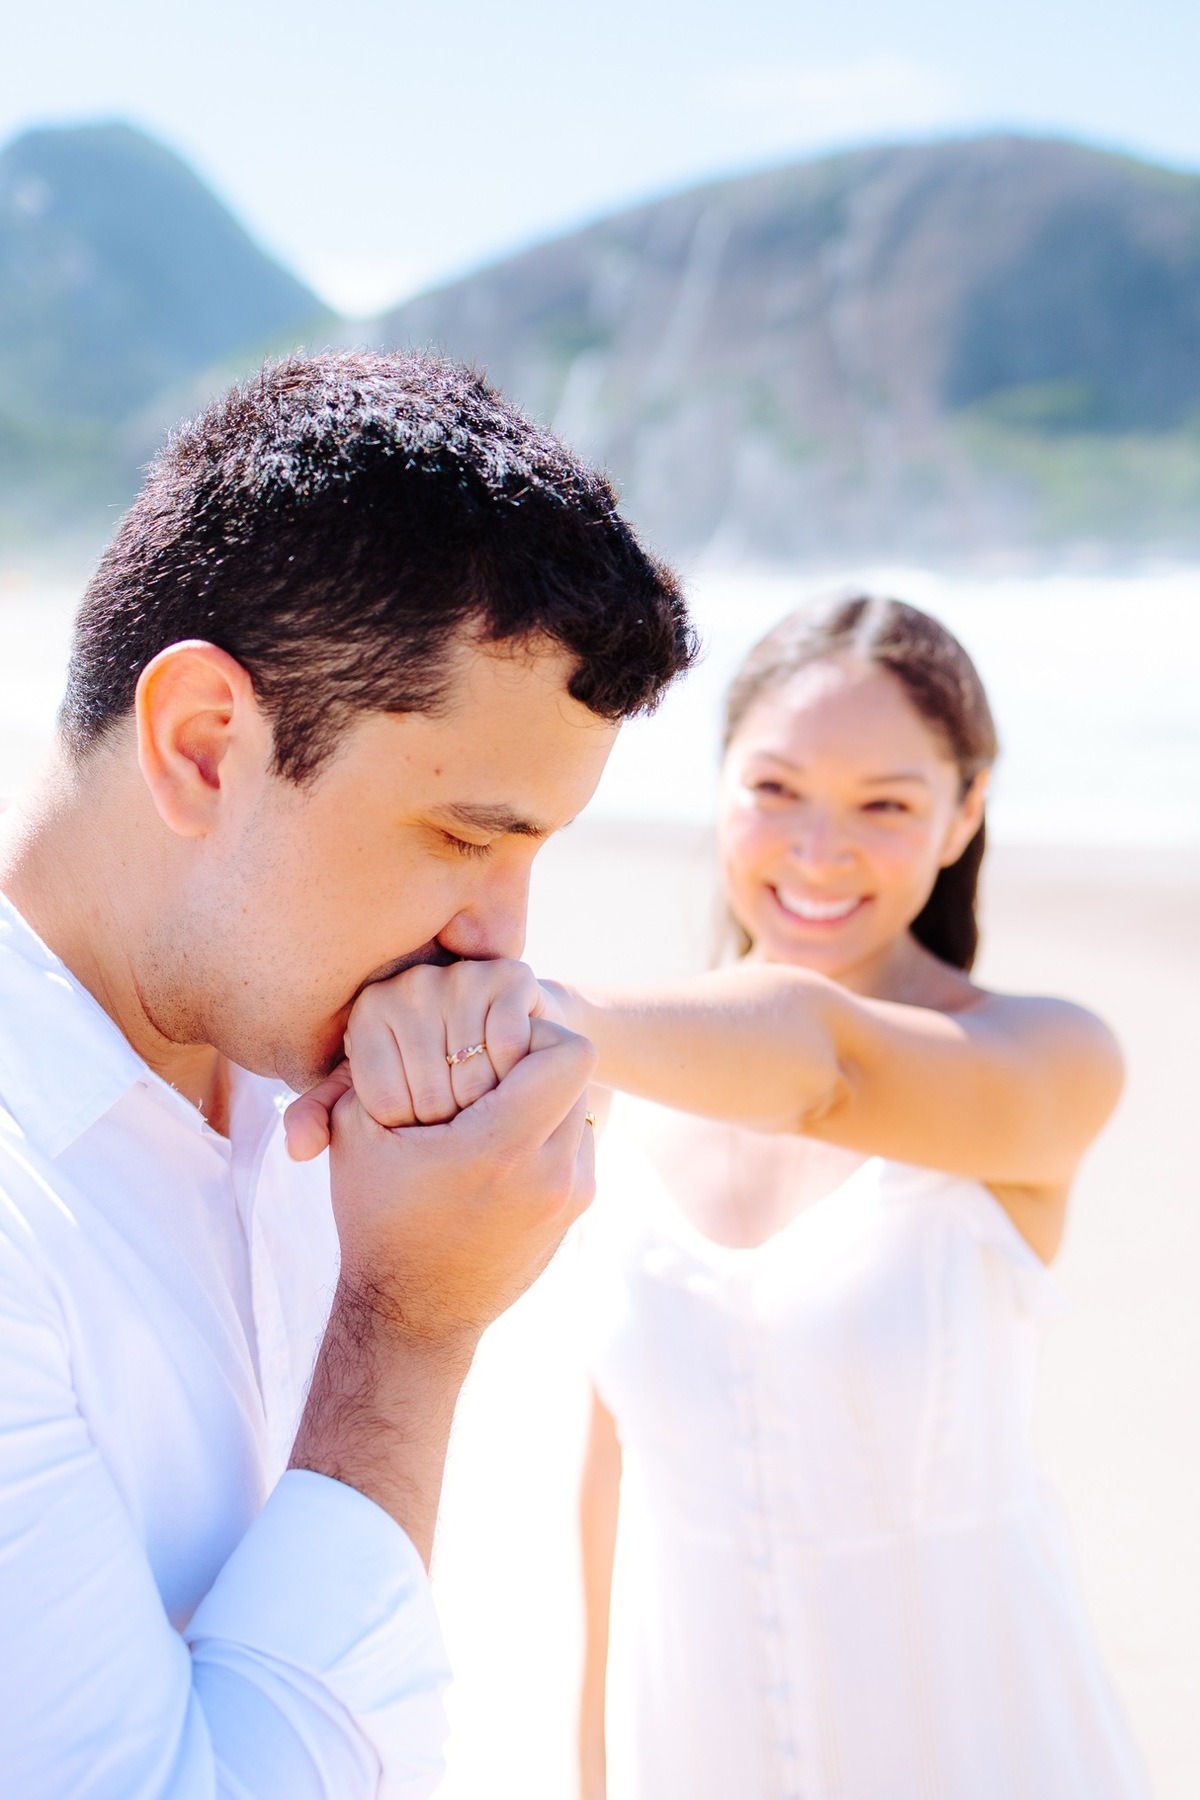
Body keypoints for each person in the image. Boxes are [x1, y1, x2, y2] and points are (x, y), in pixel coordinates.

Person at [0, 350, 694, 1799]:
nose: (500, 937)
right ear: (203, 748)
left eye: (534, 856)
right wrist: (412, 1328)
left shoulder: (326, 1080)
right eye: (459, 838)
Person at [324, 596, 1147, 1798]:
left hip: (974, 1732)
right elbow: (605, 1484)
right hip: (693, 1734)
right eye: (775, 789)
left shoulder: (1046, 1062)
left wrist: (550, 1019)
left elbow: (826, 1065)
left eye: (887, 804)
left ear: (964, 814)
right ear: (719, 787)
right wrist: (594, 1769)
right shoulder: (624, 1087)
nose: (819, 850)